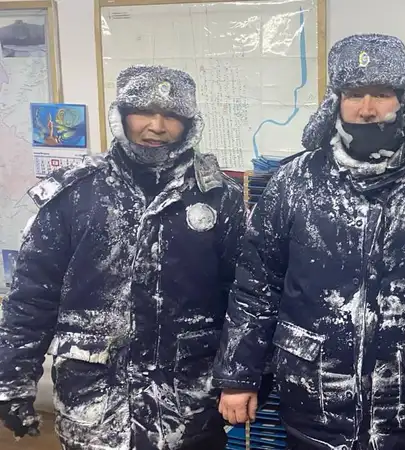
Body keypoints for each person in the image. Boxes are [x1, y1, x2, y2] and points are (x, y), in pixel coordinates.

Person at [213, 33, 405, 449]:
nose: (367, 109)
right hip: (316, 404)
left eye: (381, 94)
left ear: (403, 100)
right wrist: (239, 377)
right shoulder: (294, 182)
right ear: (335, 101)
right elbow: (256, 286)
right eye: (354, 94)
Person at [0, 65, 245, 450]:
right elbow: (32, 295)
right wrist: (13, 380)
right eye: (144, 112)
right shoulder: (75, 193)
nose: (156, 127)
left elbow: (243, 297)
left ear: (189, 124)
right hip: (96, 404)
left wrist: (241, 378)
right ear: (122, 114)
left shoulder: (219, 196)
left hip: (185, 405)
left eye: (171, 116)